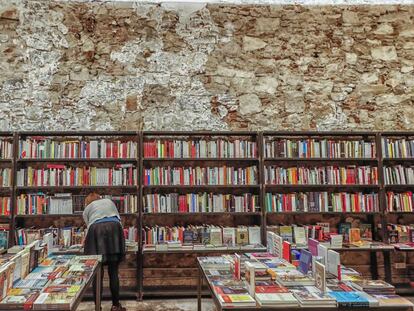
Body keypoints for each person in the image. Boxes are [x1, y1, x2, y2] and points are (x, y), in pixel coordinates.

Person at [83, 193, 126, 311]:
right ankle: (116, 306)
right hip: (114, 228)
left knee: (97, 273)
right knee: (113, 271)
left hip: (96, 230)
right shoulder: (109, 201)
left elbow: (89, 226)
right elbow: (118, 219)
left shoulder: (87, 209)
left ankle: (98, 307)